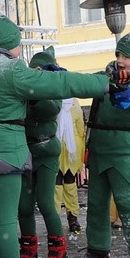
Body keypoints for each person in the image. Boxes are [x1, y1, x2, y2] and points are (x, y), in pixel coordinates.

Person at [0, 1, 110, 258]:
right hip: (4, 152)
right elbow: (61, 82)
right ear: (10, 45)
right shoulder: (13, 71)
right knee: (4, 220)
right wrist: (104, 83)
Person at [70, 25, 130, 258]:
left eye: (125, 56)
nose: (119, 60)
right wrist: (60, 78)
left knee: (128, 204)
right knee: (96, 204)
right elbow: (85, 83)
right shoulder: (107, 77)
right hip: (98, 148)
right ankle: (97, 254)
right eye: (118, 54)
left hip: (123, 149)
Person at [17, 46, 68, 258]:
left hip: (46, 152)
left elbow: (50, 109)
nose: (36, 73)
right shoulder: (22, 93)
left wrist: (34, 94)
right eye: (33, 69)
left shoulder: (52, 90)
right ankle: (28, 246)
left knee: (46, 202)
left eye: (40, 69)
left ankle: (58, 246)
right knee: (24, 206)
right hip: (26, 153)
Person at [54, 97, 85, 235]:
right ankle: (73, 218)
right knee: (70, 183)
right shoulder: (75, 103)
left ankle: (54, 220)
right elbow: (81, 129)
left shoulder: (53, 102)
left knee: (56, 184)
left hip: (57, 146)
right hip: (73, 148)